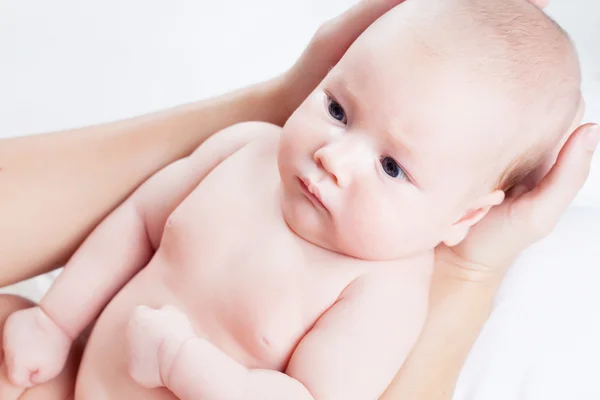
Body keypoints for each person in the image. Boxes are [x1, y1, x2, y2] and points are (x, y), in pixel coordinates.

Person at [0, 0, 595, 399]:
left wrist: (184, 363)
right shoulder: (246, 151)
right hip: (77, 378)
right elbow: (134, 223)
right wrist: (56, 320)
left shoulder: (379, 291)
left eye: (391, 167)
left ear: (465, 216)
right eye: (337, 109)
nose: (333, 158)